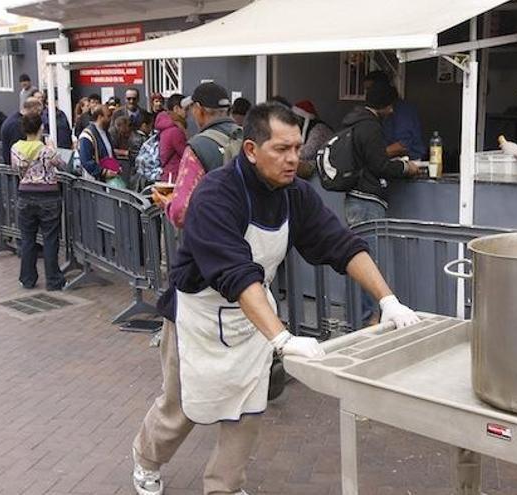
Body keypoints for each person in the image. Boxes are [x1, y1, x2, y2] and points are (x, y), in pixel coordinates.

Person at [131, 102, 420, 495]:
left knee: (247, 409)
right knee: (180, 408)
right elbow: (236, 272)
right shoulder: (216, 195)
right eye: (281, 149)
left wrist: (389, 300)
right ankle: (147, 461)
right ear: (251, 149)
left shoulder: (294, 194)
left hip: (252, 319)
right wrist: (282, 338)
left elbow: (341, 244)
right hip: (197, 316)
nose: (292, 159)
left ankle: (225, 487)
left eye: (297, 148)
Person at [343, 83, 420, 325]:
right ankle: (370, 320)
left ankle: (361, 316)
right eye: (391, 106)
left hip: (354, 198)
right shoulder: (370, 127)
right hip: (367, 200)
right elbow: (379, 165)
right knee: (369, 262)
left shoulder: (354, 122)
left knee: (359, 258)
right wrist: (406, 167)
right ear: (386, 105)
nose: (393, 111)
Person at [10, 113, 66, 291]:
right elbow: (62, 164)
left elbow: (15, 168)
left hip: (25, 195)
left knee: (27, 239)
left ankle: (27, 278)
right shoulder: (46, 150)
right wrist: (52, 148)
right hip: (48, 196)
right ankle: (53, 280)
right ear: (40, 128)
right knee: (50, 239)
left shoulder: (15, 148)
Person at [364, 71, 427, 160]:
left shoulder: (403, 111)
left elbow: (403, 145)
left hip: (409, 161)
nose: (367, 93)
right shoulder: (377, 112)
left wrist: (375, 156)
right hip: (388, 159)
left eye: (369, 89)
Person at [185, 82, 241, 173]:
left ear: (199, 110)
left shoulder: (197, 147)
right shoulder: (247, 137)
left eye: (192, 107)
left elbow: (186, 187)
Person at [291, 99, 333, 179]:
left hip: (324, 167)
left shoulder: (319, 129)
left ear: (303, 119)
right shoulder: (300, 129)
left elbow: (307, 153)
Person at [77, 105, 117, 181]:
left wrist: (117, 167)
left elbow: (110, 154)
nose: (111, 119)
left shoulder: (106, 133)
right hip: (95, 182)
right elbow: (86, 161)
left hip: (109, 180)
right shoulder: (87, 135)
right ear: (100, 117)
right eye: (108, 116)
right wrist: (103, 172)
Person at [1, 98, 44, 166]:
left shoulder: (14, 120)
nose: (39, 115)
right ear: (33, 109)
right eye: (38, 111)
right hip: (16, 167)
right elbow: (21, 151)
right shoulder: (17, 124)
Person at [156, 93, 187, 181]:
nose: (188, 113)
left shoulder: (167, 127)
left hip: (167, 175)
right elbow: (186, 154)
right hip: (174, 177)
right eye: (185, 109)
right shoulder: (175, 131)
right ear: (176, 109)